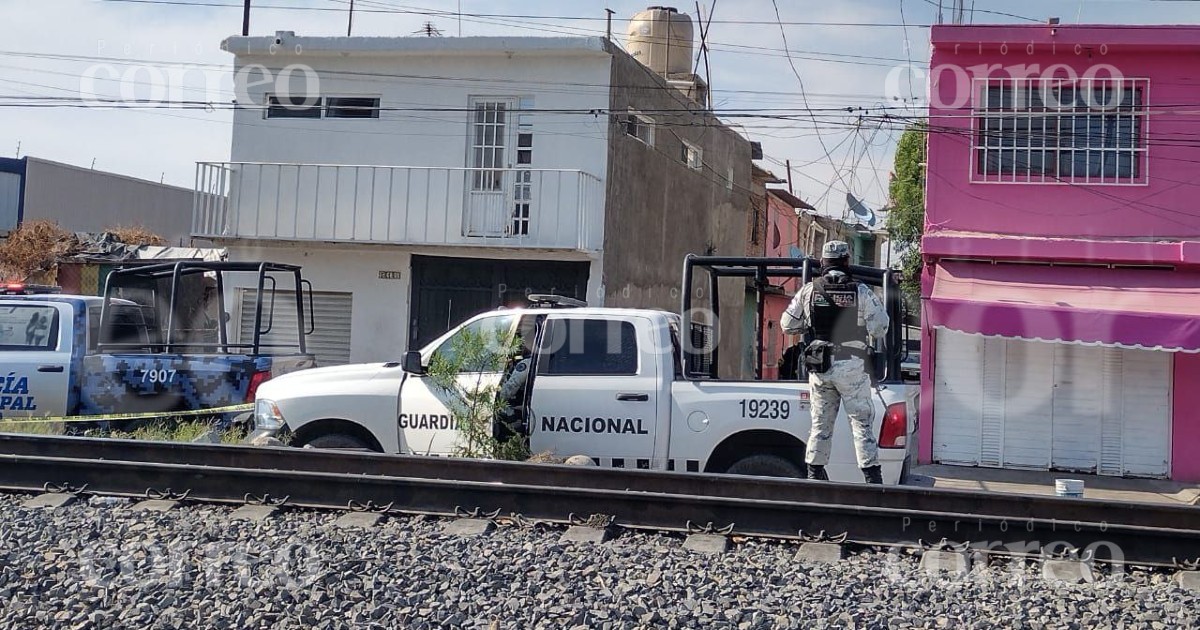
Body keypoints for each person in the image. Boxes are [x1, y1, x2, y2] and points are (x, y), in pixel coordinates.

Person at [781, 241, 890, 484]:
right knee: (861, 424)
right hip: (852, 366)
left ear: (823, 263)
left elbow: (787, 325)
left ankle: (814, 479)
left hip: (820, 367)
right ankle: (873, 482)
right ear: (846, 262)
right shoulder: (861, 291)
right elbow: (881, 327)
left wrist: (810, 326)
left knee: (820, 424)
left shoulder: (809, 290)